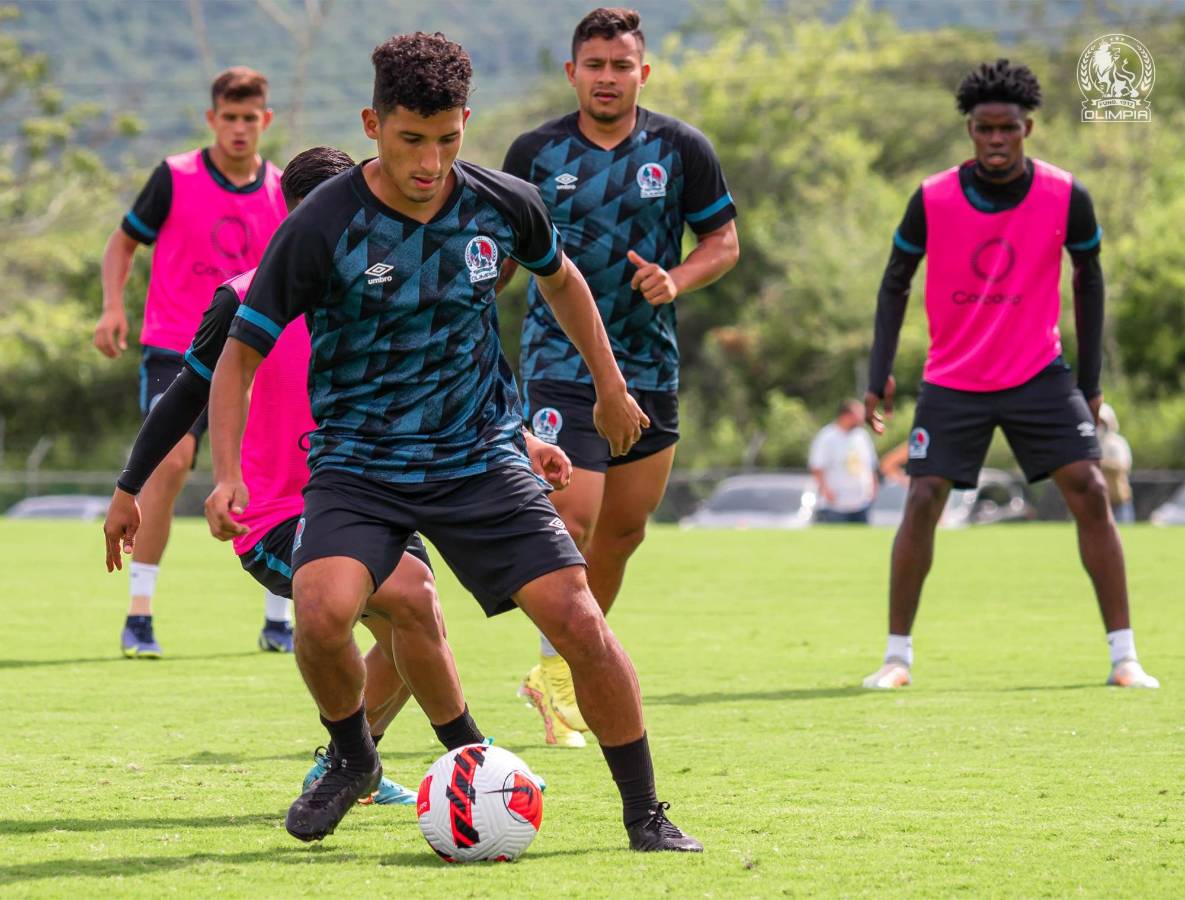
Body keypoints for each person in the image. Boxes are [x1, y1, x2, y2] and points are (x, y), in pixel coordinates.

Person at [205, 32, 702, 851]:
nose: (430, 161)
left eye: (447, 139)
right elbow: (240, 356)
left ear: (465, 123)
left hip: (475, 458)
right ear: (372, 123)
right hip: (359, 464)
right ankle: (353, 757)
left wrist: (608, 385)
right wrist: (226, 475)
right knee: (320, 611)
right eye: (410, 141)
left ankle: (645, 813)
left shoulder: (503, 203)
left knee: (579, 621)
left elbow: (564, 282)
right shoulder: (322, 224)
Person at [101, 147, 568, 806]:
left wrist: (519, 440)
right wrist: (129, 487)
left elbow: (438, 379)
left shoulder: (392, 284)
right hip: (275, 516)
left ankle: (351, 765)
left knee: (416, 631)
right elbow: (185, 395)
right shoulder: (244, 297)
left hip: (369, 491)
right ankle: (472, 760)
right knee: (414, 599)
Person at [862, 59, 1158, 690]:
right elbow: (894, 283)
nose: (996, 140)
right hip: (954, 376)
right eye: (983, 129)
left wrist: (1091, 380)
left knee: (1090, 487)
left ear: (1028, 127)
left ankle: (1124, 656)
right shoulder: (933, 196)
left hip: (1038, 372)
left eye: (1009, 129)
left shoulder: (1065, 194)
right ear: (969, 129)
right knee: (921, 499)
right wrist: (879, 374)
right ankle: (896, 657)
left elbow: (1089, 279)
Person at [500, 6, 739, 748]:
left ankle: (562, 668)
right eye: (594, 65)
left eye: (621, 65)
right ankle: (557, 670)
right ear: (573, 72)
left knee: (622, 531)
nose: (608, 78)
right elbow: (499, 252)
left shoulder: (680, 148)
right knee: (570, 519)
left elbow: (723, 241)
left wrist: (677, 278)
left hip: (648, 367)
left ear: (643, 72)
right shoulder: (534, 152)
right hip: (556, 362)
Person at [93, 67, 289, 658]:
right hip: (173, 347)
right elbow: (122, 241)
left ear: (265, 121)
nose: (238, 128)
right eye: (228, 117)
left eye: (248, 118)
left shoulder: (283, 189)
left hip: (255, 352)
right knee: (171, 459)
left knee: (269, 467)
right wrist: (110, 308)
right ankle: (140, 613)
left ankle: (280, 616)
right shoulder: (174, 177)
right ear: (212, 119)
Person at [809, 400, 878, 523]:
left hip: (861, 502)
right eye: (859, 415)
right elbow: (817, 467)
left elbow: (870, 465)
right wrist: (825, 490)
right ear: (846, 415)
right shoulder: (827, 437)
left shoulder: (862, 436)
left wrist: (873, 488)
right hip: (835, 504)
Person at [1097, 403, 1135, 523]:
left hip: (1117, 500)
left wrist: (1100, 464)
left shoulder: (1117, 443)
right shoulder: (1091, 443)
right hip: (1096, 500)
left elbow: (1123, 466)